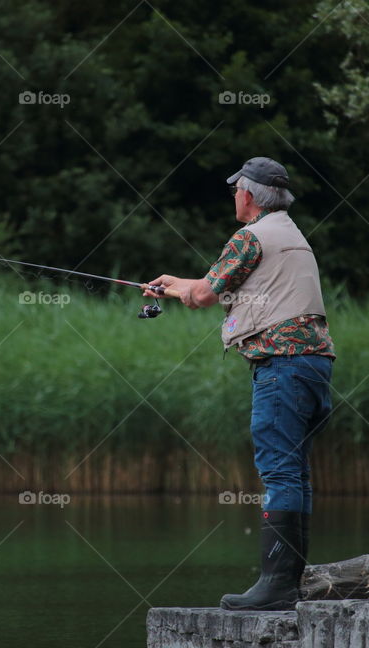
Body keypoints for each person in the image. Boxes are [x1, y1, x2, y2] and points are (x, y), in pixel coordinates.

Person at [144, 157, 335, 610]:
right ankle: (287, 583)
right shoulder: (291, 236)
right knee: (296, 473)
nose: (234, 197)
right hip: (314, 364)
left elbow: (205, 296)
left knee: (279, 472)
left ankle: (276, 586)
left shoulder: (250, 237)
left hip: (281, 367)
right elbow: (231, 289)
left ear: (248, 194)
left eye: (236, 190)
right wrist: (173, 283)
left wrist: (176, 291)